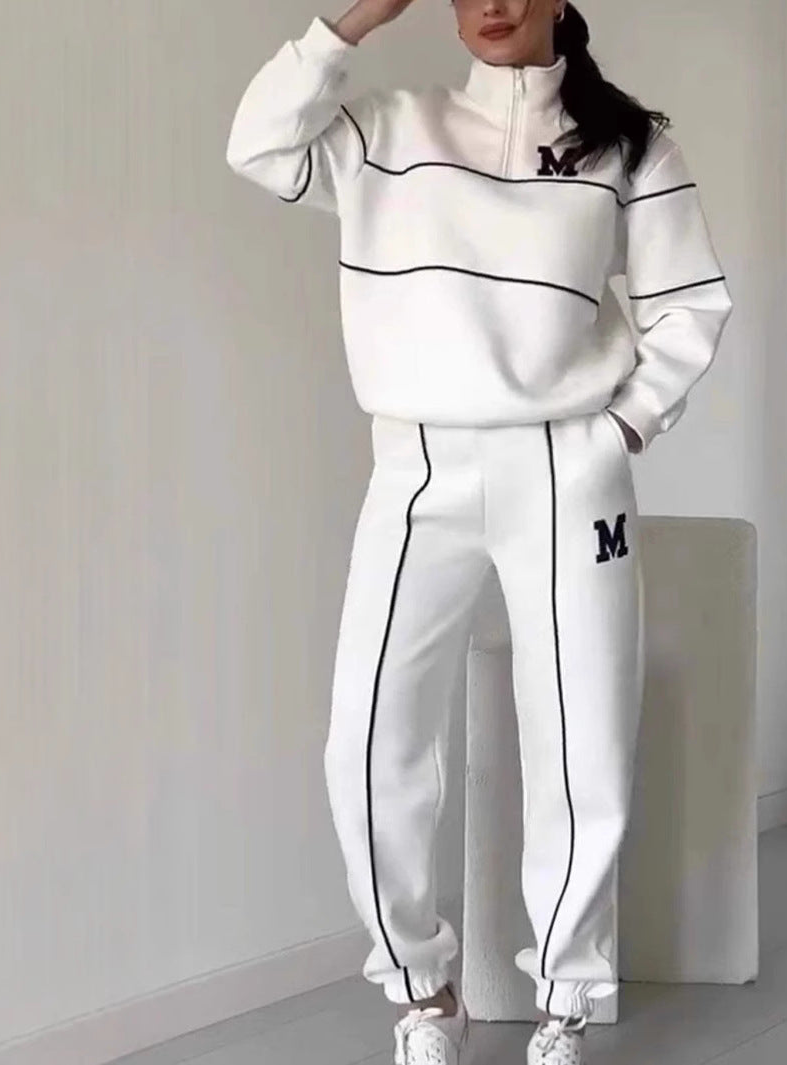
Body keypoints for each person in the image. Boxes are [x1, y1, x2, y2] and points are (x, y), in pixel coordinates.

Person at [226, 0, 733, 1061]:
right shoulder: (388, 129)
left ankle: (565, 1001)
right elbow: (259, 147)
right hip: (418, 466)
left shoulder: (628, 145)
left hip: (566, 467)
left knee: (582, 736)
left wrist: (620, 430)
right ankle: (424, 994)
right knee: (368, 739)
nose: (491, 4)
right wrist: (349, 23)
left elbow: (690, 303)